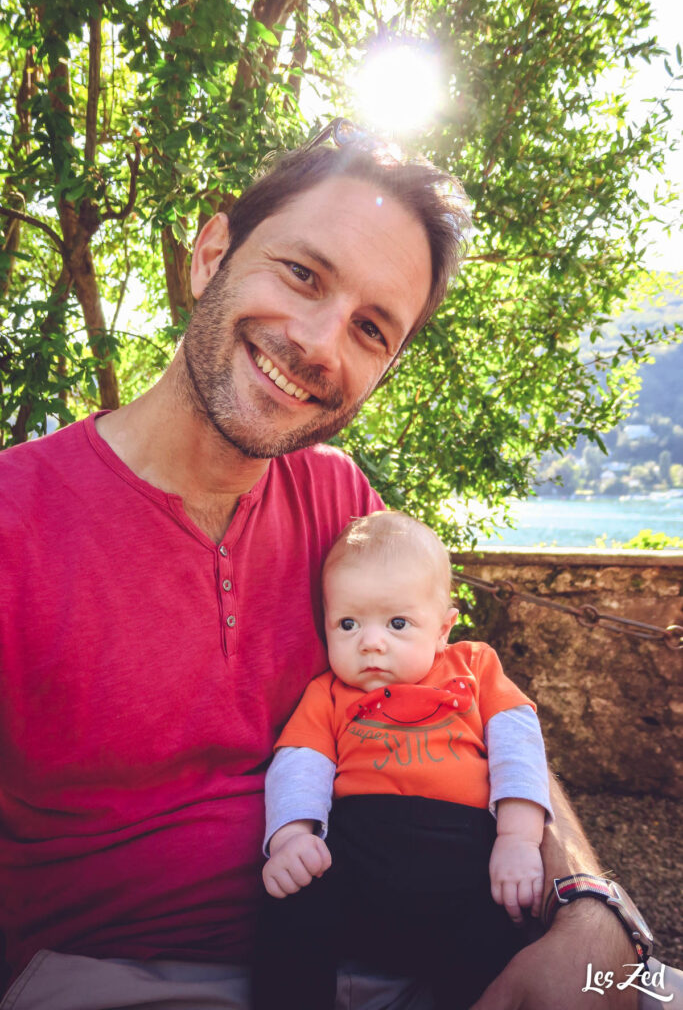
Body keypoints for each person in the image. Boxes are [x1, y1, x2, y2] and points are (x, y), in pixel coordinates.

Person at [0, 122, 659, 1009]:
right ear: (210, 254)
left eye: (370, 328)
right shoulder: (18, 521)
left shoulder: (341, 504)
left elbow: (477, 702)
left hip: (401, 942)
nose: (317, 341)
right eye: (303, 274)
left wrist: (586, 907)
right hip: (119, 972)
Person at [253, 510, 552, 1010]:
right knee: (290, 906)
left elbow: (517, 742)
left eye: (397, 623)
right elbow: (299, 763)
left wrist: (519, 838)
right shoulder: (328, 692)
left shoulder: (473, 664)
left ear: (442, 628)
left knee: (500, 927)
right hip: (357, 850)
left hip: (466, 855)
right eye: (347, 623)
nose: (370, 642)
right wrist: (291, 839)